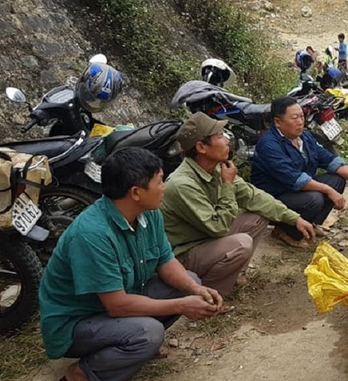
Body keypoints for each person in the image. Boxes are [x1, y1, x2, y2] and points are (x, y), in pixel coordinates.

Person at [39, 148, 223, 381]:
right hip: (76, 322)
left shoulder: (149, 212)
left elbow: (166, 261)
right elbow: (118, 306)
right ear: (136, 192)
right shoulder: (92, 234)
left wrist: (196, 291)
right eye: (159, 181)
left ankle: (129, 345)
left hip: (119, 301)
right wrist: (182, 306)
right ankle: (82, 374)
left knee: (190, 281)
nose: (164, 187)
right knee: (148, 333)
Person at [161, 113, 314, 292]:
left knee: (258, 216)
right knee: (241, 244)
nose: (227, 140)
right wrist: (227, 185)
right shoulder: (182, 184)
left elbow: (254, 197)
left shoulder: (217, 168)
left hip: (207, 239)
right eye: (219, 136)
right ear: (202, 147)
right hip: (186, 253)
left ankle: (231, 276)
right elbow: (218, 227)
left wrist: (294, 219)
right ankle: (210, 295)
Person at [250, 96, 348, 245]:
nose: (300, 122)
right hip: (275, 195)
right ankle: (286, 231)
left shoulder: (305, 137)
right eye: (294, 118)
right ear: (278, 122)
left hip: (295, 189)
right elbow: (295, 179)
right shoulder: (269, 145)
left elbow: (331, 160)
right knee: (315, 199)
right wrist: (328, 190)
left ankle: (310, 224)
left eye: (301, 116)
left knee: (338, 180)